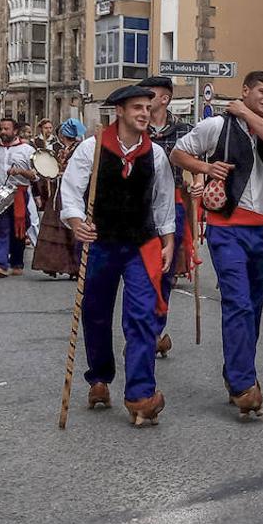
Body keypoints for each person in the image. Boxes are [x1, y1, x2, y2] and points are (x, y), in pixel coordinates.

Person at [172, 70, 263, 418]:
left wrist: (245, 113)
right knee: (236, 300)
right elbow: (178, 154)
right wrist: (206, 167)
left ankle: (237, 372)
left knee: (252, 306)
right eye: (262, 92)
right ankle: (242, 383)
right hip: (227, 228)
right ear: (245, 90)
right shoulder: (216, 127)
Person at [61, 85, 177, 426]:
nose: (145, 112)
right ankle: (99, 377)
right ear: (120, 112)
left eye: (148, 106)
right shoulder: (92, 148)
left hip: (141, 244)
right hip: (100, 242)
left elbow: (163, 201)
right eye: (137, 107)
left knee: (141, 316)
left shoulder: (155, 154)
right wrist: (76, 221)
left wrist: (169, 241)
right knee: (96, 313)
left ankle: (140, 395)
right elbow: (70, 190)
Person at [140, 75, 194, 356]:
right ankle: (142, 333)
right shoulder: (135, 128)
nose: (144, 98)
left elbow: (199, 159)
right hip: (137, 206)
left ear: (165, 98)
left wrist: (197, 180)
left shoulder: (185, 130)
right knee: (138, 272)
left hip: (172, 205)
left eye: (150, 93)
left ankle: (155, 329)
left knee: (165, 272)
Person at [0, 116, 37, 278]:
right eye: (1, 128)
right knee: (1, 228)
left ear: (15, 131)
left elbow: (36, 176)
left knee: (19, 228)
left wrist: (20, 172)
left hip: (20, 192)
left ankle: (17, 261)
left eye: (6, 129)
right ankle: (0, 264)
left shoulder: (27, 150)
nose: (3, 132)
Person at [32, 119, 85, 278]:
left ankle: (76, 267)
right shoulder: (61, 149)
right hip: (58, 193)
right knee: (57, 231)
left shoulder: (80, 150)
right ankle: (57, 265)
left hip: (72, 193)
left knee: (72, 230)